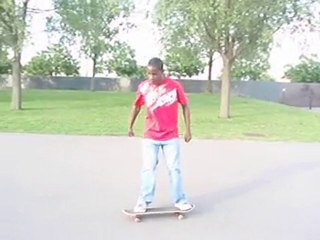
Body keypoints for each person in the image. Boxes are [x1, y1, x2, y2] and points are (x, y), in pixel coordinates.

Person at [128, 57, 193, 213]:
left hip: (171, 136)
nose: (151, 78)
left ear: (162, 72)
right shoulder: (144, 87)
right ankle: (143, 201)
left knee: (174, 169)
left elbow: (185, 106)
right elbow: (136, 106)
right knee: (148, 169)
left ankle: (180, 200)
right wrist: (130, 126)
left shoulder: (174, 86)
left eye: (155, 74)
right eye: (149, 74)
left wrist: (188, 129)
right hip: (151, 135)